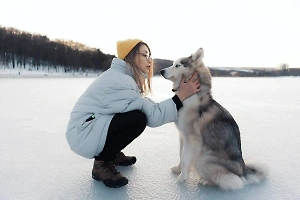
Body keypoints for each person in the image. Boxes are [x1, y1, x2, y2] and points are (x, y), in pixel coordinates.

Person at [65, 39, 201, 188]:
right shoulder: (120, 80)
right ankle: (102, 162)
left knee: (134, 116)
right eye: (145, 55)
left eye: (150, 55)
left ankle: (112, 152)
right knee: (138, 119)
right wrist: (181, 96)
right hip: (83, 133)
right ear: (130, 56)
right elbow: (152, 116)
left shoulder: (122, 76)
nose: (150, 60)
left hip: (88, 127)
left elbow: (142, 104)